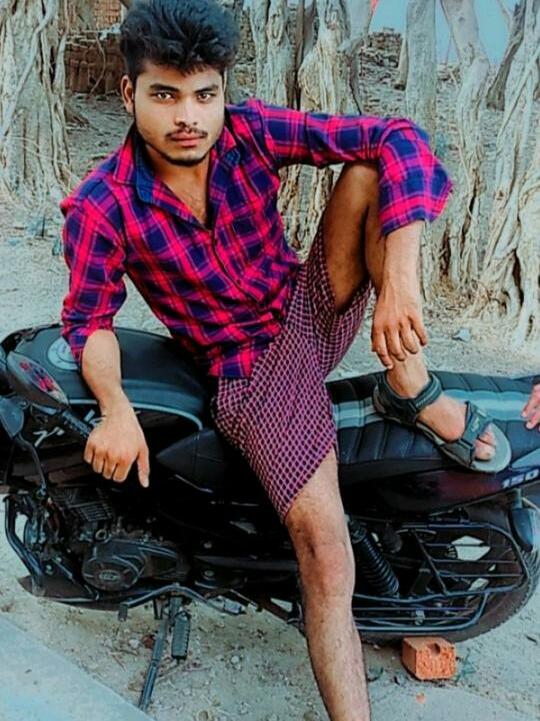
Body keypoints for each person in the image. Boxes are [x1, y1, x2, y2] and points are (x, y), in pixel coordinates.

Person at [59, 1, 510, 718]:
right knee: (327, 555)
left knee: (366, 170)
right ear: (129, 93)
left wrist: (400, 280)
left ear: (222, 92)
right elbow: (90, 321)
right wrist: (114, 409)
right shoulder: (103, 205)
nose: (189, 117)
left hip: (308, 306)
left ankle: (409, 385)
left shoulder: (248, 132)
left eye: (205, 94)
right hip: (252, 378)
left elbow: (398, 135)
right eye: (165, 95)